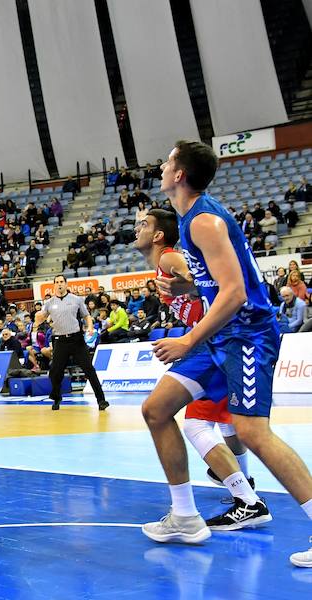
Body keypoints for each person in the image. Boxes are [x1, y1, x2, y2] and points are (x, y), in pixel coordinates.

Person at [142, 141, 311, 566]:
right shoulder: (189, 221)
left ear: (179, 174)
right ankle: (184, 517)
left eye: (168, 160)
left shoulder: (204, 222)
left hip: (247, 335)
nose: (162, 165)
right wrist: (190, 288)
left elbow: (236, 292)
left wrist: (187, 340)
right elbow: (221, 282)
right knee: (156, 409)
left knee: (252, 431)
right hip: (222, 336)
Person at [134, 209, 267, 528]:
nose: (136, 229)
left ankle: (246, 499)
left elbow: (197, 278)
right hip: (220, 343)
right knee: (227, 425)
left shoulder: (167, 258)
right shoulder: (160, 264)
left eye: (143, 224)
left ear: (157, 235)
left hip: (220, 343)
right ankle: (243, 483)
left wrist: (190, 294)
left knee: (192, 424)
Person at [34, 275, 108, 411]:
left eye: (62, 282)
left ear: (66, 284)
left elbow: (86, 316)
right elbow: (42, 317)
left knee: (89, 370)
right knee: (55, 372)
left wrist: (90, 327)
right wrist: (38, 319)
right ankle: (56, 398)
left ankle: (101, 400)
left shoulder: (76, 299)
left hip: (76, 339)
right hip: (59, 341)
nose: (59, 284)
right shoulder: (49, 303)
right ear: (54, 285)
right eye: (57, 282)